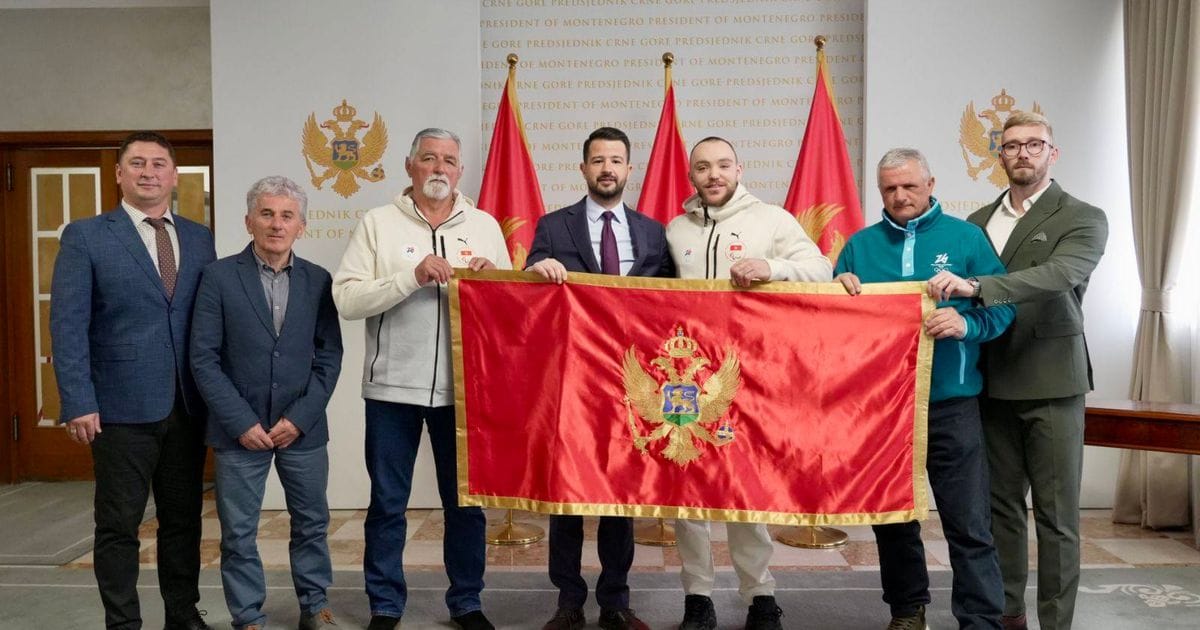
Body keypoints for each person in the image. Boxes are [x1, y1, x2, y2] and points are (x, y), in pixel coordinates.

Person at [928, 112, 1108, 630]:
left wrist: (980, 287)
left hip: (1051, 382)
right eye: (1011, 146)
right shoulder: (977, 221)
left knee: (1057, 518)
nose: (1023, 153)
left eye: (1034, 144)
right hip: (989, 381)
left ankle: (1055, 622)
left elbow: (1059, 274)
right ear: (999, 155)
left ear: (1053, 153)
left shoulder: (1083, 216)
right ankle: (1008, 614)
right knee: (999, 509)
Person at [333, 128, 511, 630]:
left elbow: (511, 315)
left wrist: (492, 282)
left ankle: (467, 602)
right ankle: (385, 605)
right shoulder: (377, 223)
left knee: (466, 506)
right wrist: (409, 277)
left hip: (466, 392)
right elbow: (347, 299)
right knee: (388, 503)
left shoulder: (484, 225)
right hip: (391, 390)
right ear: (409, 166)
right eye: (429, 158)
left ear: (460, 171)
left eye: (449, 160)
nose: (439, 168)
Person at [836, 148, 1014, 629]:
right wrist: (837, 290)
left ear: (931, 185)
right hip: (883, 409)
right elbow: (833, 331)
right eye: (890, 188)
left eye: (910, 186)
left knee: (969, 522)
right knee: (893, 520)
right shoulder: (859, 247)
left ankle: (981, 621)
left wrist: (965, 324)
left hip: (951, 404)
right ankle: (907, 612)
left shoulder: (966, 237)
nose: (900, 196)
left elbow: (1003, 306)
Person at [665, 136, 832, 630]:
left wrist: (771, 267)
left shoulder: (772, 220)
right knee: (688, 492)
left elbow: (821, 268)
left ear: (739, 169)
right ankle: (697, 597)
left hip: (751, 376)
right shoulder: (675, 229)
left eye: (722, 165)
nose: (713, 175)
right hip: (688, 379)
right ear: (691, 176)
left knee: (746, 486)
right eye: (702, 167)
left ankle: (760, 595)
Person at [50, 131, 216, 630]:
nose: (149, 172)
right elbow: (67, 324)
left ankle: (182, 615)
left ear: (174, 175)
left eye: (159, 163)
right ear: (119, 174)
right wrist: (78, 400)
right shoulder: (86, 236)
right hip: (118, 409)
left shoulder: (199, 237)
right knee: (119, 524)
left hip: (187, 406)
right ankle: (123, 622)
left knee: (183, 521)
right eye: (138, 163)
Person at [526, 127, 674, 630]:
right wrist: (538, 268)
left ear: (629, 169)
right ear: (583, 168)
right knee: (566, 492)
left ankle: (615, 600)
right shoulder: (553, 227)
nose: (607, 168)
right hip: (571, 381)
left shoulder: (653, 232)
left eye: (615, 160)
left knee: (618, 494)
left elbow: (671, 301)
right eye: (598, 160)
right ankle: (568, 602)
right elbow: (526, 290)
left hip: (631, 385)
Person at [190, 176, 343, 630]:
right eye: (267, 214)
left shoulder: (318, 280)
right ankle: (247, 616)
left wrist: (300, 418)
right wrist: (240, 421)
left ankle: (314, 605)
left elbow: (329, 357)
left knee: (312, 522)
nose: (277, 224)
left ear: (301, 226)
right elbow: (203, 358)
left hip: (302, 429)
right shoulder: (218, 277)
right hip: (239, 431)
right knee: (238, 531)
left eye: (287, 216)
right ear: (248, 221)